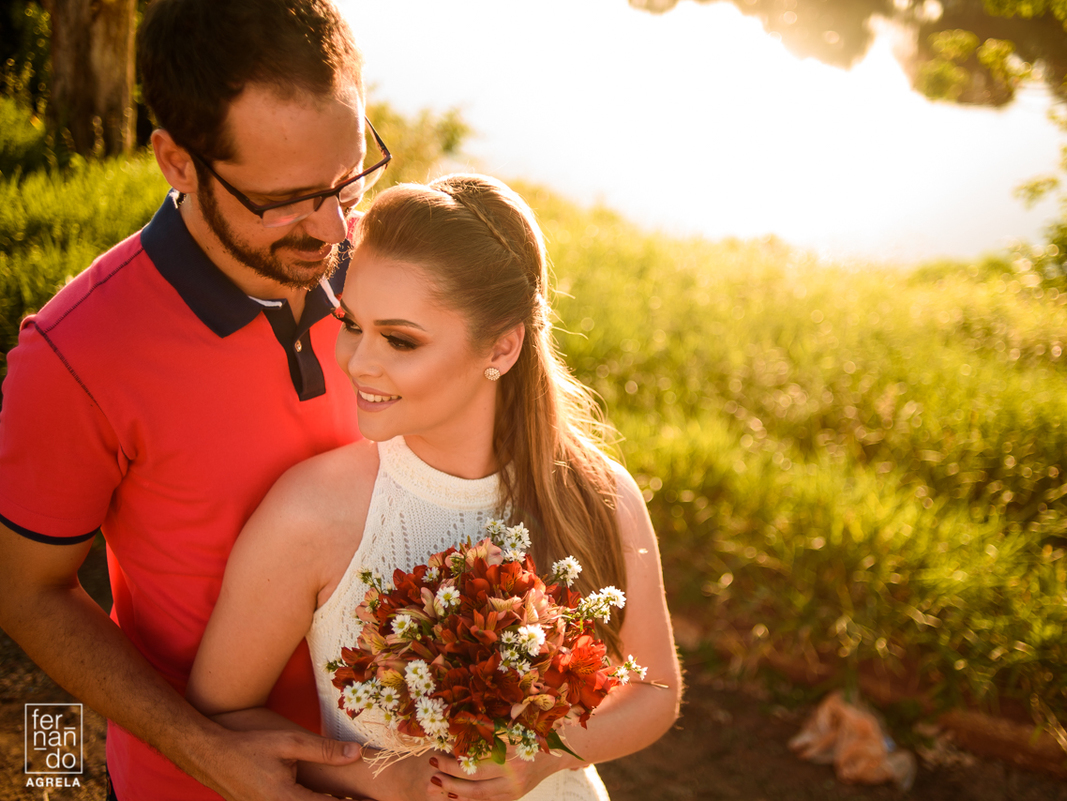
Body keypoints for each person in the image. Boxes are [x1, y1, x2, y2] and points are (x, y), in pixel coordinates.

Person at [186, 174, 683, 800]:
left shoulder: (598, 492)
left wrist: (541, 759)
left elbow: (656, 692)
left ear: (500, 347)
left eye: (400, 339)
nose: (359, 361)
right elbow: (220, 715)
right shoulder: (311, 512)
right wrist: (391, 777)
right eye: (351, 322)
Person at [0, 1, 387, 798]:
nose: (334, 229)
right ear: (176, 162)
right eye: (283, 199)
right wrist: (203, 748)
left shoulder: (391, 264)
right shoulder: (75, 355)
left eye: (347, 178)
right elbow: (25, 590)